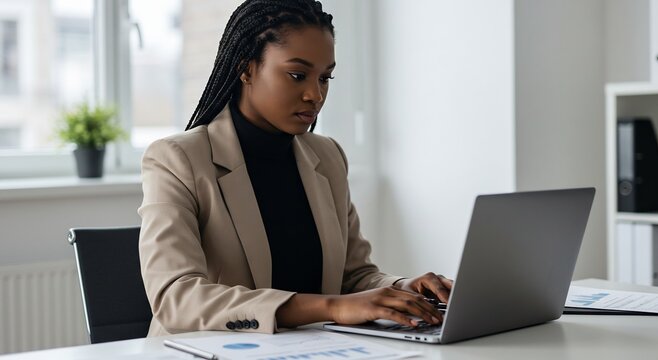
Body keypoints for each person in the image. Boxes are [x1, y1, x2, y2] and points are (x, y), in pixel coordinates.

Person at [138, 0, 453, 336]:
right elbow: (176, 298)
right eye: (297, 75)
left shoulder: (327, 157)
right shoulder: (177, 160)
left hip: (310, 350)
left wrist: (404, 289)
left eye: (325, 78)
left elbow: (354, 277)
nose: (315, 94)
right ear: (246, 68)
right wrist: (330, 306)